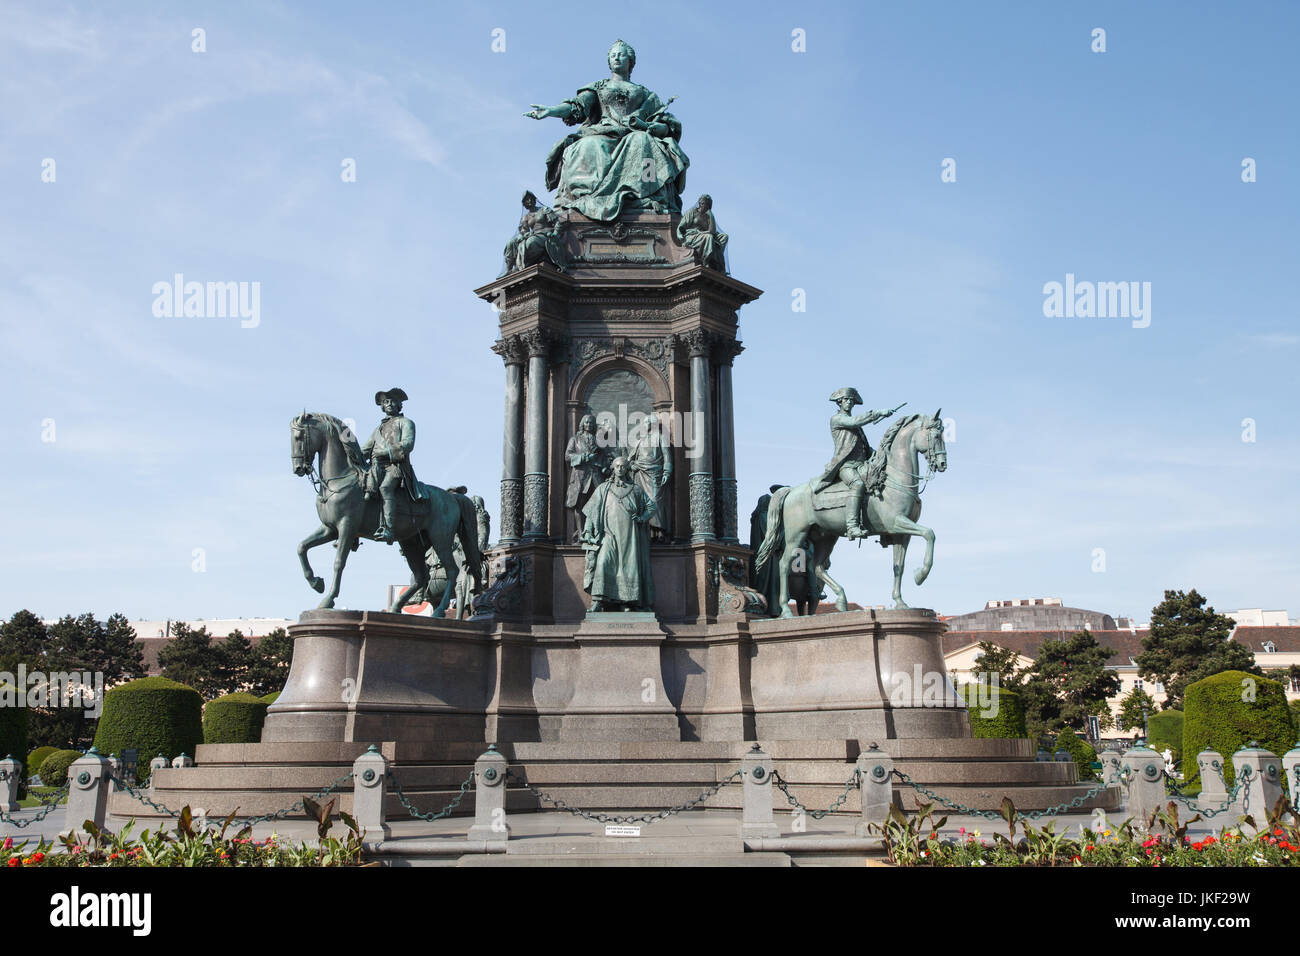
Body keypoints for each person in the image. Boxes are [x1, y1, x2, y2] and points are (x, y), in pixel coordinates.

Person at [524, 39, 689, 221]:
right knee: (588, 146)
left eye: (621, 54)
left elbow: (666, 123)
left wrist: (657, 127)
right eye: (613, 55)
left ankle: (646, 192)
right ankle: (590, 197)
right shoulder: (598, 87)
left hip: (633, 134)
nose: (616, 57)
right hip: (602, 133)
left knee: (644, 142)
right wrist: (551, 111)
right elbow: (576, 107)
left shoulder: (645, 94)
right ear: (609, 61)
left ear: (631, 61)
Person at [812, 388, 904, 540]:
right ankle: (852, 526)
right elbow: (855, 421)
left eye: (851, 401)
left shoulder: (856, 427)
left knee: (879, 481)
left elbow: (864, 446)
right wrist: (878, 413)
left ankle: (883, 525)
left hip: (862, 465)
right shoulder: (837, 419)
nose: (849, 403)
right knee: (857, 485)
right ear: (839, 402)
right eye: (846, 400)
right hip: (846, 466)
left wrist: (882, 455)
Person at [581, 457, 656, 611]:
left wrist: (642, 518)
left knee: (629, 567)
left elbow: (651, 506)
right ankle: (598, 601)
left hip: (630, 537)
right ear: (612, 468)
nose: (620, 469)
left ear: (627, 469)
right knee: (602, 563)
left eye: (623, 466)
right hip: (608, 535)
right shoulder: (603, 488)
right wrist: (588, 530)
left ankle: (626, 602)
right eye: (617, 466)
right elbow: (591, 512)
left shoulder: (636, 489)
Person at [362, 388, 419, 542]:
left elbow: (408, 444)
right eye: (386, 402)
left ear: (399, 404)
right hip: (377, 467)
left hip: (396, 466)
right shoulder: (378, 429)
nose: (389, 404)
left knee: (385, 488)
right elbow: (365, 450)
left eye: (392, 401)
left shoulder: (406, 423)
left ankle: (388, 528)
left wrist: (387, 452)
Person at [625, 411, 672, 541]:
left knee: (655, 501)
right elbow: (630, 459)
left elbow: (667, 455)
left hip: (654, 474)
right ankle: (648, 533)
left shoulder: (660, 437)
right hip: (640, 473)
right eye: (645, 422)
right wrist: (632, 465)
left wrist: (667, 471)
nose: (645, 424)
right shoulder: (640, 440)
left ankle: (660, 532)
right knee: (643, 503)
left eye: (647, 422)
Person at [565, 414, 610, 541]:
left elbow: (603, 458)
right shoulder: (575, 439)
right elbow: (568, 456)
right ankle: (580, 534)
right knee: (579, 505)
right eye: (586, 422)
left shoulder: (598, 441)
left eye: (591, 423)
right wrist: (584, 457)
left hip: (596, 476)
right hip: (580, 477)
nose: (589, 425)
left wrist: (604, 466)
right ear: (582, 424)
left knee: (599, 504)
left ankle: (597, 532)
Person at [675, 194, 727, 271]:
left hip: (704, 235)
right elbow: (681, 226)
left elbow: (712, 231)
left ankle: (716, 259)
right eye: (702, 203)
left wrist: (711, 216)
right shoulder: (691, 212)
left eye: (707, 205)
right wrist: (681, 236)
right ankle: (706, 261)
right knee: (708, 237)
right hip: (692, 236)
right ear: (700, 203)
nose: (703, 205)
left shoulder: (708, 216)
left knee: (724, 237)